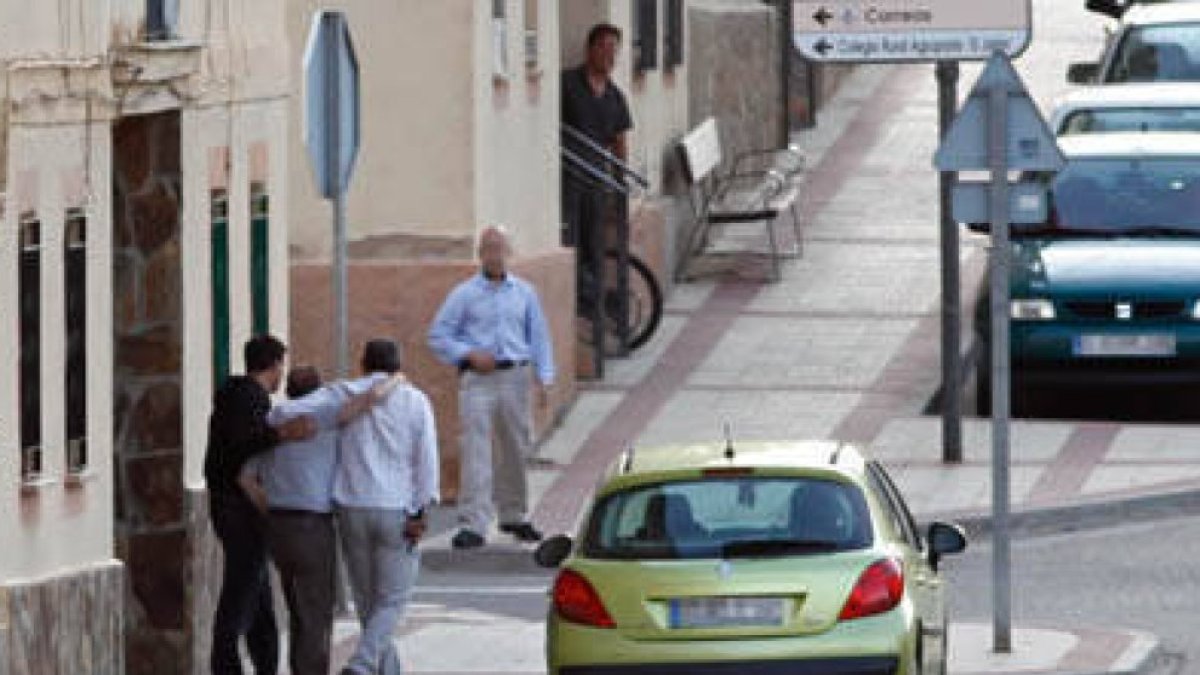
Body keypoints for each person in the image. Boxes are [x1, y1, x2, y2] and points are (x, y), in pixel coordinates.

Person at [238, 366, 404, 675]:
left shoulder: (274, 420)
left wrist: (272, 509)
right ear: (318, 390)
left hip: (279, 526)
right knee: (316, 614)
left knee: (297, 608)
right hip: (311, 526)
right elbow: (370, 398)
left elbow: (246, 478)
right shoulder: (323, 414)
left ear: (288, 389)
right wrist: (395, 378)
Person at [428, 226, 555, 549]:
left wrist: (545, 378)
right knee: (476, 450)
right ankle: (474, 522)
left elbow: (538, 336)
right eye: (488, 248)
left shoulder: (524, 293)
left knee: (516, 445)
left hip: (515, 376)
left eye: (499, 248)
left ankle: (514, 514)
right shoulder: (464, 294)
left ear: (509, 252)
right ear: (480, 253)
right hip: (479, 379)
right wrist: (467, 354)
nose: (494, 254)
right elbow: (439, 336)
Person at [204, 335, 316, 675]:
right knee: (241, 590)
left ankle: (266, 664)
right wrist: (283, 434)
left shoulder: (239, 396)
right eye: (281, 364)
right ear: (273, 365)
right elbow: (243, 446)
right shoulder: (248, 399)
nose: (282, 372)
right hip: (238, 507)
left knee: (259, 595)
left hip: (235, 505)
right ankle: (225, 665)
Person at [333, 339, 440, 675]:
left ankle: (384, 670)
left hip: (352, 504)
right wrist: (422, 508)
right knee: (392, 601)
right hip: (395, 507)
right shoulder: (415, 401)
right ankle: (363, 664)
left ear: (363, 364)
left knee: (368, 604)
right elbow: (426, 460)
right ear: (398, 365)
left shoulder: (345, 395)